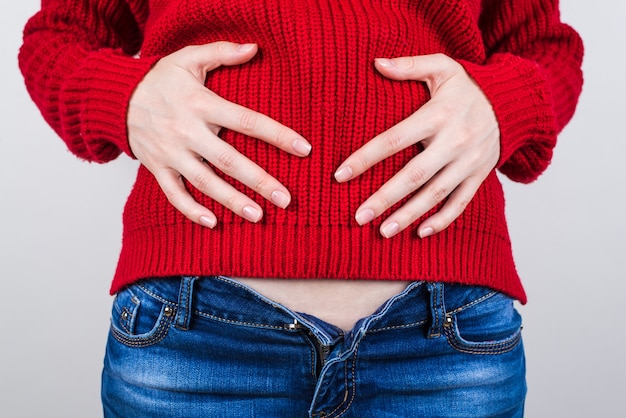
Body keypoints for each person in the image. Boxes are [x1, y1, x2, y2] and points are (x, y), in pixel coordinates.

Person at [19, 0, 583, 416]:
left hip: (445, 342)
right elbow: (59, 36)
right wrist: (124, 96)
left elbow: (543, 48)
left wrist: (503, 104)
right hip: (197, 339)